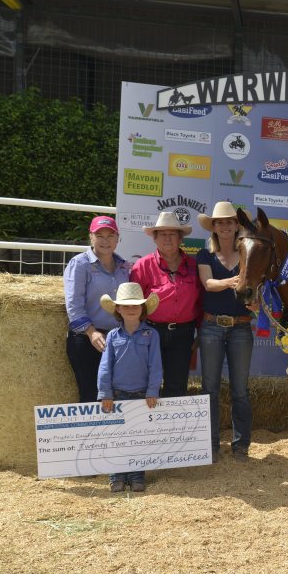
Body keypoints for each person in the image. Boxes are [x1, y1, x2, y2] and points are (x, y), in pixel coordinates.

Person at [196, 201, 254, 463]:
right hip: (211, 327)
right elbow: (208, 284)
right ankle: (209, 444)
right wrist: (234, 281)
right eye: (220, 222)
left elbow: (254, 290)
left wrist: (255, 300)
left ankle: (241, 444)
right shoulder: (204, 254)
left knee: (240, 389)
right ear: (214, 227)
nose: (225, 226)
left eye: (230, 221)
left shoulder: (248, 253)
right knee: (210, 388)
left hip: (241, 325)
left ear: (236, 225)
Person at [97, 282, 163, 492]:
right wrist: (105, 393)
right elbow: (105, 367)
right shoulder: (112, 337)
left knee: (138, 437)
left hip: (142, 395)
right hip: (117, 395)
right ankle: (116, 476)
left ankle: (137, 476)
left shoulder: (151, 335)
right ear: (117, 309)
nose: (131, 309)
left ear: (143, 308)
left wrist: (153, 391)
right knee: (116, 437)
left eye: (136, 305)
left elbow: (156, 365)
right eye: (126, 305)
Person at [129, 211, 202, 399]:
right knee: (145, 384)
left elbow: (201, 302)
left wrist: (201, 333)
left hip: (183, 334)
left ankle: (172, 428)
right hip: (150, 332)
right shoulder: (143, 266)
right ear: (154, 238)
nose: (167, 238)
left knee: (176, 387)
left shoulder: (194, 266)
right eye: (162, 234)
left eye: (172, 234)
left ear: (180, 239)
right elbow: (132, 304)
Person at [64, 216, 130, 403]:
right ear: (90, 237)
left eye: (110, 235)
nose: (105, 240)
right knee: (91, 396)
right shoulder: (80, 264)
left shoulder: (124, 267)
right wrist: (92, 333)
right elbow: (74, 306)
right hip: (87, 340)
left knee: (115, 397)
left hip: (116, 339)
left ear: (118, 238)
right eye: (99, 235)